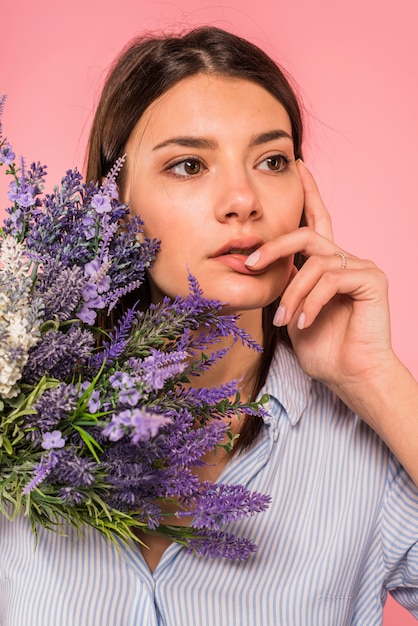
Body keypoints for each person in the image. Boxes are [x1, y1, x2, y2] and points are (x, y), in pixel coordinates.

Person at [1, 25, 417, 625]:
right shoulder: (18, 405)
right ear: (112, 205)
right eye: (189, 165)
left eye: (272, 161)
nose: (243, 199)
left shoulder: (367, 441)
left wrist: (377, 380)